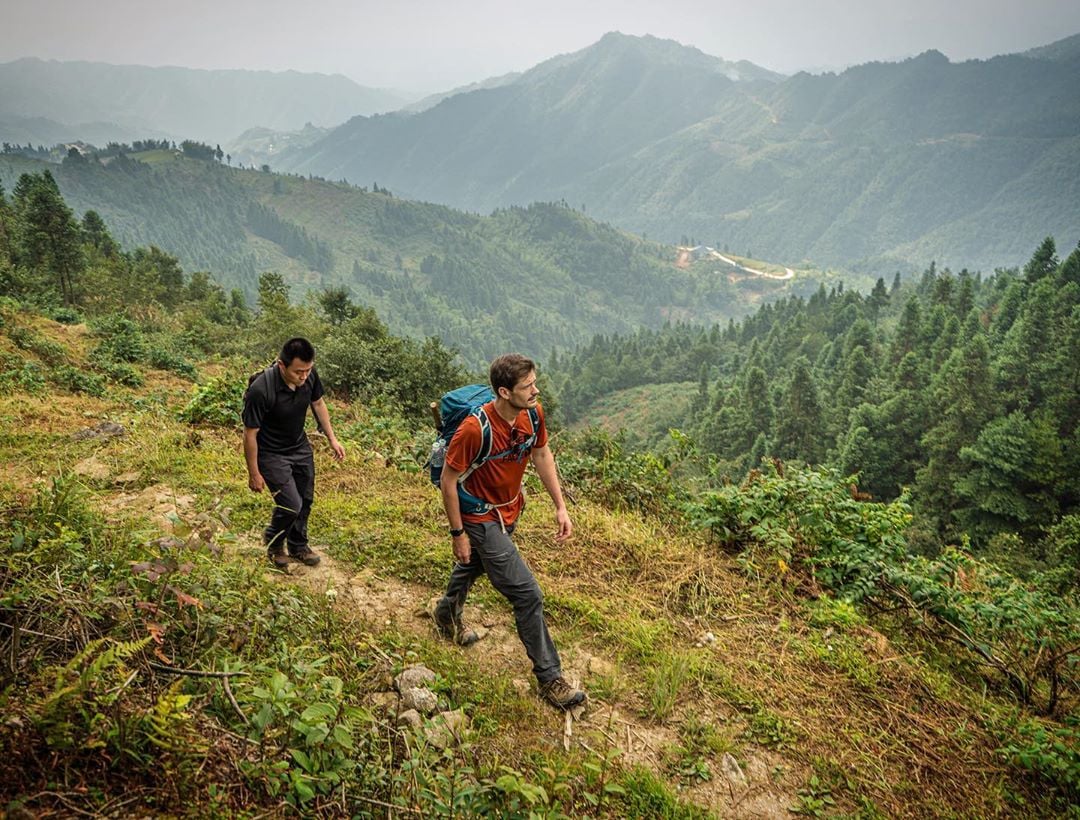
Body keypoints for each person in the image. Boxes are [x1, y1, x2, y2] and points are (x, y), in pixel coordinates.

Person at [434, 353, 585, 710]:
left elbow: (542, 455)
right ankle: (550, 679)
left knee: (477, 564)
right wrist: (458, 533)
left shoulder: (532, 413)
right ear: (504, 391)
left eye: (534, 382)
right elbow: (448, 480)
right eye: (527, 386)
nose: (535, 390)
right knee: (527, 593)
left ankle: (446, 612)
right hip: (479, 514)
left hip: (510, 508)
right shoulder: (475, 429)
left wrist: (560, 506)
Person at [242, 337, 345, 569]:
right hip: (270, 453)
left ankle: (298, 545)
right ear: (282, 365)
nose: (304, 376)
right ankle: (275, 542)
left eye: (308, 370)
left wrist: (333, 439)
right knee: (291, 504)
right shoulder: (261, 390)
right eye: (298, 372)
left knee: (305, 499)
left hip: (299, 446)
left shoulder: (309, 375)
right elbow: (250, 433)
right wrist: (254, 472)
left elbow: (318, 404)